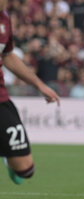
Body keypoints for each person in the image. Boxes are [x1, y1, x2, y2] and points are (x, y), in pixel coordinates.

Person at [0, 0, 60, 185]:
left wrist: (38, 84)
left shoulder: (5, 19)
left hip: (1, 99)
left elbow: (8, 55)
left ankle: (6, 154)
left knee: (25, 169)